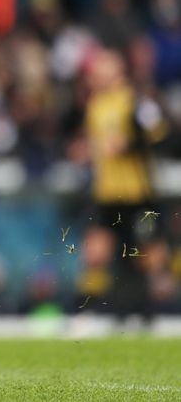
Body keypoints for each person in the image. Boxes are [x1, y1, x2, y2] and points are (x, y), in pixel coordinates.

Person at [76, 47, 168, 327]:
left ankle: (153, 313)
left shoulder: (136, 101)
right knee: (95, 251)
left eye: (100, 67)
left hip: (137, 193)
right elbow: (98, 146)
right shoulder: (95, 105)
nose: (93, 74)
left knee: (147, 257)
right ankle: (88, 313)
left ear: (117, 70)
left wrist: (126, 146)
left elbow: (160, 138)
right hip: (107, 194)